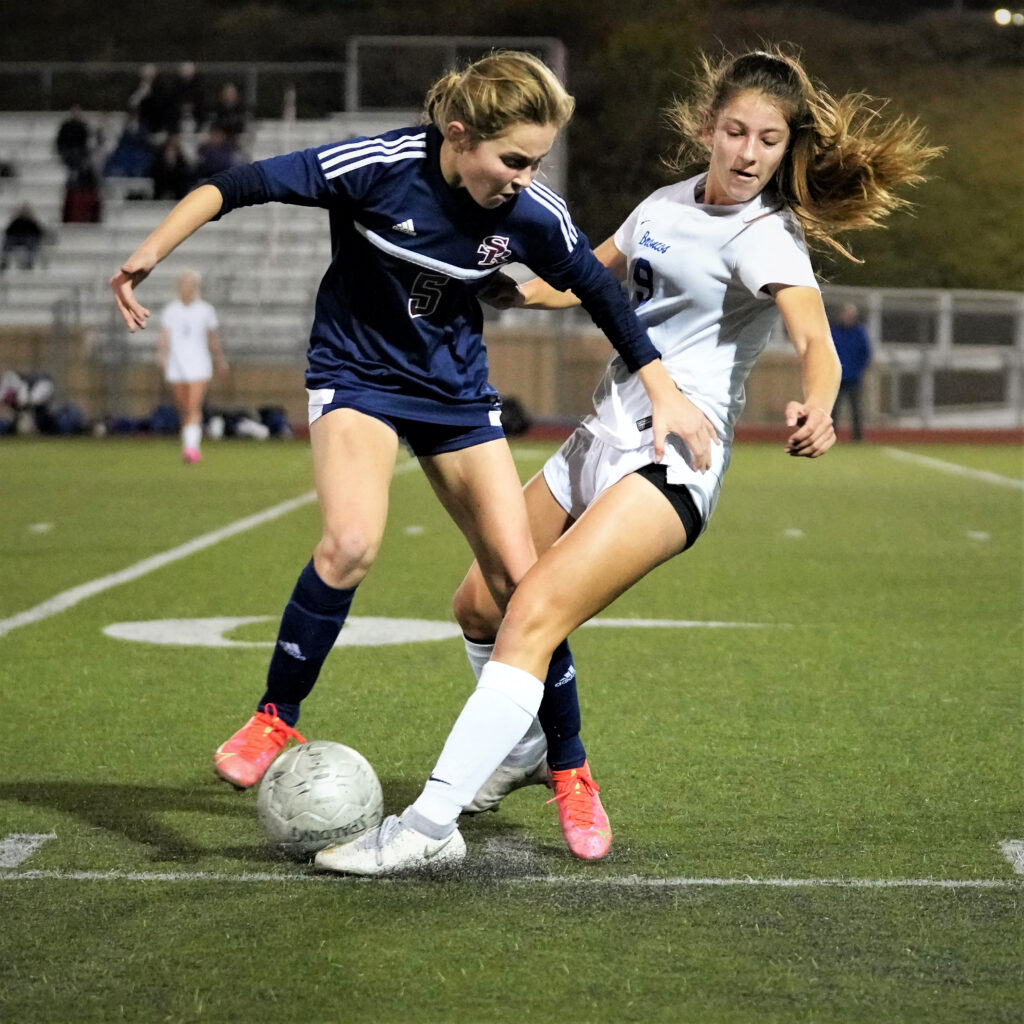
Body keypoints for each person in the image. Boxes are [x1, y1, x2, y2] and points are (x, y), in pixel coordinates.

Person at [313, 46, 943, 876]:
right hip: (597, 438)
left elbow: (813, 340)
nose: (749, 153)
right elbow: (587, 280)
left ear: (788, 148)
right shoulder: (663, 205)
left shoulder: (768, 238)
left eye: (769, 140)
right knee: (477, 604)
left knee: (532, 612)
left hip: (672, 463)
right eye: (735, 132)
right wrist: (511, 287)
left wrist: (818, 403)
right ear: (709, 128)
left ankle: (426, 828)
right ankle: (526, 750)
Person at [109, 51, 700, 789]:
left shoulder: (533, 211)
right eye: (513, 159)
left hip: (454, 392)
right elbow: (237, 185)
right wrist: (148, 254)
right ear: (458, 135)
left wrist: (663, 390)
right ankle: (274, 716)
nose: (525, 177)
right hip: (355, 375)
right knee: (351, 543)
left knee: (522, 583)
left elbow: (603, 296)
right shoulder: (379, 164)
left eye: (537, 162)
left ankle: (570, 769)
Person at [157, 269, 227, 463]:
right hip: (177, 363)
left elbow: (213, 338)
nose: (187, 289)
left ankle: (191, 448)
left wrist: (219, 359)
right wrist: (162, 356)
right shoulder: (171, 310)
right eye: (184, 285)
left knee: (194, 406)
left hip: (199, 363)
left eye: (190, 285)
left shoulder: (206, 310)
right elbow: (165, 337)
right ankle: (188, 444)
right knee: (184, 407)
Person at [829, 302, 872, 441]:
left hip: (854, 378)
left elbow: (866, 354)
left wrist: (858, 371)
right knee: (832, 409)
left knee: (856, 409)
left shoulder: (860, 333)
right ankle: (829, 436)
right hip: (836, 378)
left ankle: (858, 437)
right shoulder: (834, 331)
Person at [1, 204, 46, 271]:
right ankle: (4, 262)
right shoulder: (16, 221)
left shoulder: (32, 222)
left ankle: (29, 263)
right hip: (16, 238)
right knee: (7, 243)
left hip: (28, 239)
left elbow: (39, 232)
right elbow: (8, 231)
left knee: (32, 244)